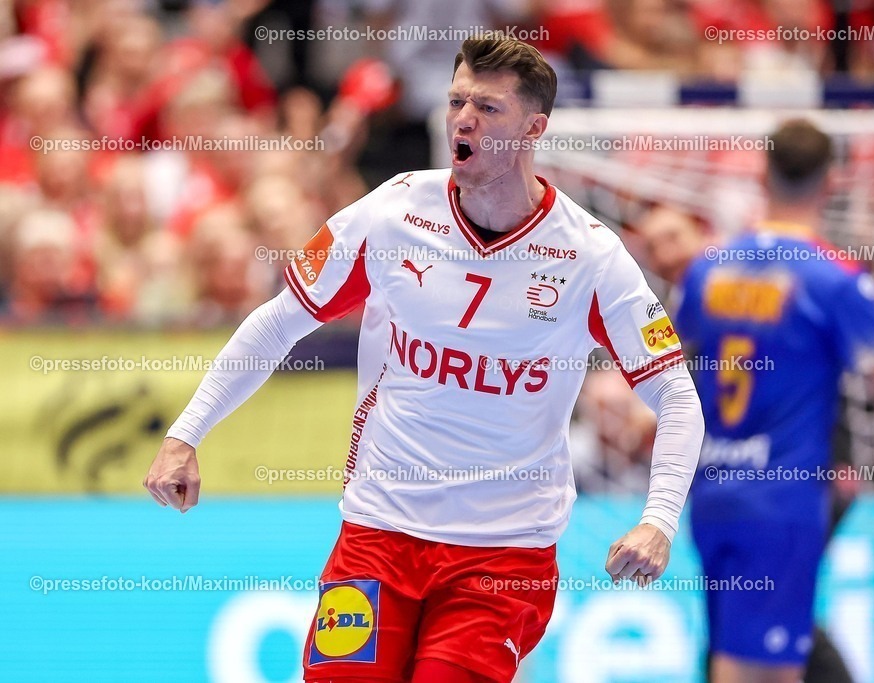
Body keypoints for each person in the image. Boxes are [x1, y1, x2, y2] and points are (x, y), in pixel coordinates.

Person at [144, 37, 704, 683]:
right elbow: (276, 324)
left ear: (534, 128)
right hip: (379, 530)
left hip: (503, 553)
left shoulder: (590, 256)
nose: (463, 118)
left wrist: (659, 520)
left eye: (488, 108)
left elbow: (678, 396)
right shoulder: (394, 211)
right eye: (457, 100)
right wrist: (186, 433)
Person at [637, 119, 874, 683]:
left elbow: (672, 370)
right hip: (781, 499)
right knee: (769, 672)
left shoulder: (708, 269)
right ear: (833, 181)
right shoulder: (833, 278)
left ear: (762, 174)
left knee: (734, 659)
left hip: (711, 492)